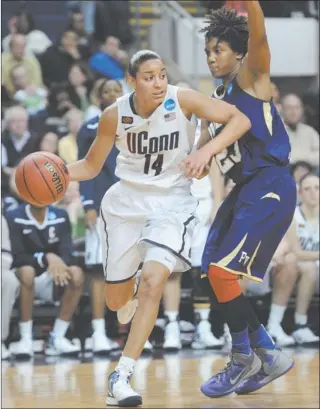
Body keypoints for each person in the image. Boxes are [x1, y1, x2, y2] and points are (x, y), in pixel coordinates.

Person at [66, 49, 251, 406]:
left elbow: (239, 120)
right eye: (149, 77)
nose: (158, 82)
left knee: (153, 282)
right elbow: (89, 167)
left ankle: (121, 375)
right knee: (117, 300)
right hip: (124, 205)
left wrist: (205, 151)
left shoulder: (181, 100)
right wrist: (57, 173)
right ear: (132, 82)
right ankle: (130, 286)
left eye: (162, 74)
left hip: (172, 203)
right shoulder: (113, 115)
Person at [182, 2, 296, 398]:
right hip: (242, 189)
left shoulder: (253, 76)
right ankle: (266, 352)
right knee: (209, 269)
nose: (212, 57)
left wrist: (252, 5)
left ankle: (244, 355)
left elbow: (260, 37)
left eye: (219, 49)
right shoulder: (218, 95)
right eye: (208, 51)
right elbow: (209, 149)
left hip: (270, 184)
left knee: (222, 273)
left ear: (238, 52)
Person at [6, 203, 84, 358]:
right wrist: (46, 257)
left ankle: (57, 337)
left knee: (76, 273)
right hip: (22, 279)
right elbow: (16, 257)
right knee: (27, 272)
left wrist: (59, 263)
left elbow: (68, 251)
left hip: (52, 276)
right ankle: (25, 338)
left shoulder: (60, 214)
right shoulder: (13, 215)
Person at [267, 173, 319, 346]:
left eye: (317, 188)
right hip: (298, 267)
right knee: (304, 265)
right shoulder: (292, 215)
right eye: (308, 189)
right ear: (300, 193)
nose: (313, 193)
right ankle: (299, 324)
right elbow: (296, 252)